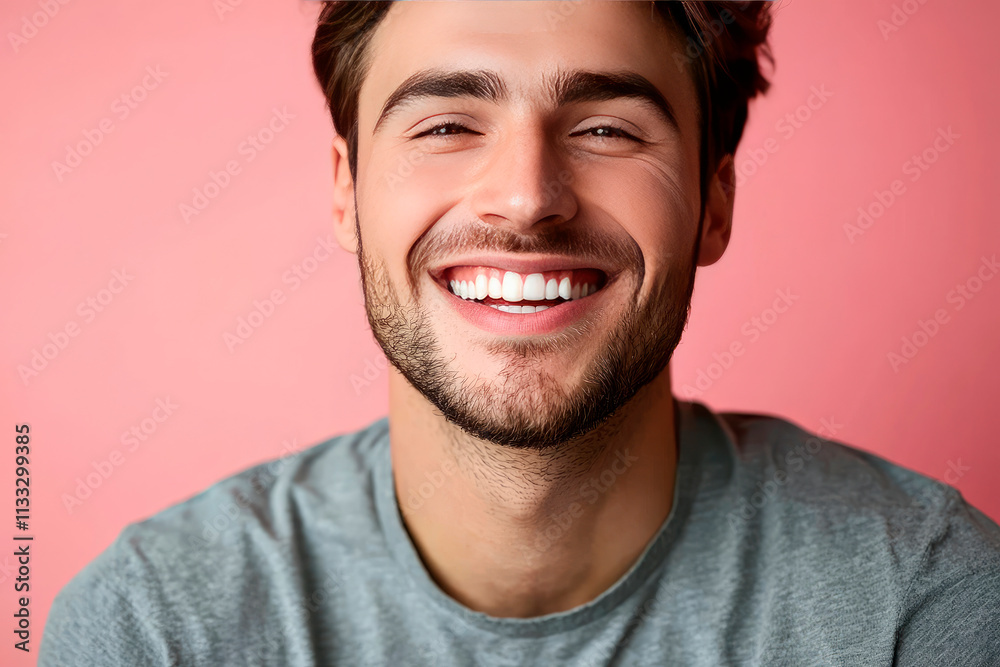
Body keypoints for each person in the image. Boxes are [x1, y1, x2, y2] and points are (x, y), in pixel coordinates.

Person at [41, 2, 1000, 665]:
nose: (527, 198)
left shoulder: (924, 609)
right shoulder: (155, 627)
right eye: (448, 124)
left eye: (606, 129)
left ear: (714, 199)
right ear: (346, 189)